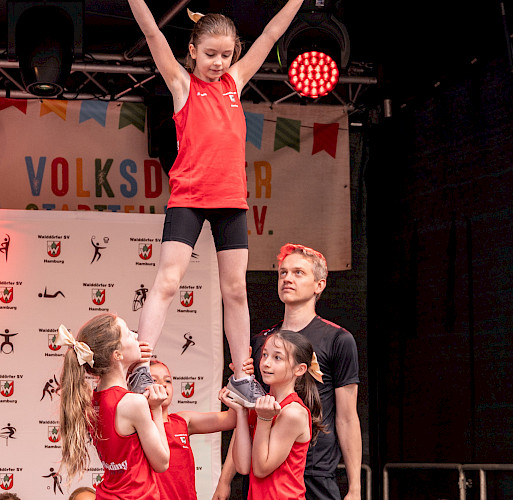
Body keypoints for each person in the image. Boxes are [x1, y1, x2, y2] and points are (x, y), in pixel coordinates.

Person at [122, 0, 308, 404]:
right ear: (191, 51)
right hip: (188, 197)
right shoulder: (182, 85)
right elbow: (153, 33)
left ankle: (242, 377)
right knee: (168, 281)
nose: (219, 63)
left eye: (226, 55)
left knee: (235, 290)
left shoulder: (235, 83)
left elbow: (271, 34)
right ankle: (139, 366)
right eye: (210, 55)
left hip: (230, 201)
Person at [220, 244, 362, 500]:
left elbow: (347, 417)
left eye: (298, 273)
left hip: (315, 471)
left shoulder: (338, 339)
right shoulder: (261, 343)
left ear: (319, 285)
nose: (287, 278)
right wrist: (225, 478)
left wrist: (355, 488)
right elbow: (250, 413)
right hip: (263, 467)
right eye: (283, 272)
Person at [56, 313, 170, 499]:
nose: (135, 335)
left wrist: (133, 363)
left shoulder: (92, 402)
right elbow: (162, 462)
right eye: (128, 333)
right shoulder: (133, 403)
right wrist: (157, 409)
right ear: (117, 354)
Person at [230, 330, 322, 499]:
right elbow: (243, 467)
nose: (266, 363)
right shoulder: (263, 404)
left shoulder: (293, 412)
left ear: (300, 369)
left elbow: (261, 468)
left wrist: (264, 418)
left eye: (277, 357)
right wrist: (241, 411)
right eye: (264, 355)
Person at [149, 359, 240, 500]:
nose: (162, 385)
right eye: (154, 380)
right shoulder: (136, 426)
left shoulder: (183, 420)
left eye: (168, 381)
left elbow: (231, 419)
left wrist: (238, 379)